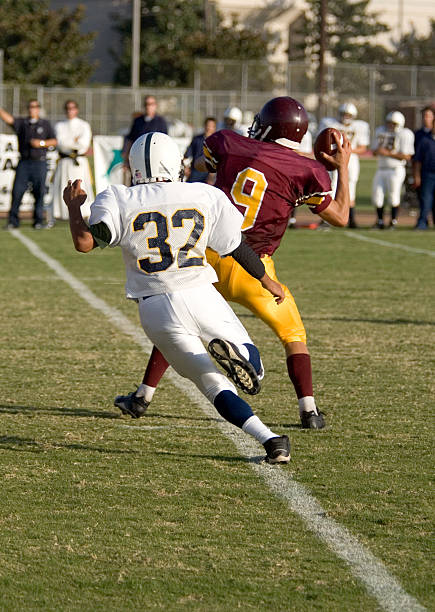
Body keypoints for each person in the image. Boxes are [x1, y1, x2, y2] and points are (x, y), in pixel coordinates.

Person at [114, 97, 351, 430]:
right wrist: (341, 165)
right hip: (256, 268)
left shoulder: (229, 143)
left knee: (176, 321)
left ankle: (142, 395)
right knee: (293, 334)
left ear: (267, 126)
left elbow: (198, 166)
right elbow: (340, 216)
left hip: (205, 254)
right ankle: (308, 410)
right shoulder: (307, 170)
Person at [63, 132, 290, 464]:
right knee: (255, 368)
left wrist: (73, 208)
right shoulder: (204, 194)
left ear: (134, 166)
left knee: (211, 384)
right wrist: (268, 280)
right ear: (174, 162)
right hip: (199, 292)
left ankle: (270, 441)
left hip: (154, 309)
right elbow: (235, 246)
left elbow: (85, 242)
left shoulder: (119, 197)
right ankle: (247, 363)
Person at [0, 99, 57, 229]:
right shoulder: (23, 123)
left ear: (39, 109)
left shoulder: (45, 124)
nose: (33, 109)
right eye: (31, 106)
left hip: (40, 163)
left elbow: (54, 141)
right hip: (24, 163)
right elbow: (9, 119)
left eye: (35, 106)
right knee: (17, 191)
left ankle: (38, 220)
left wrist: (41, 143)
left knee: (39, 192)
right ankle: (13, 221)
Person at [318, 102, 369, 228]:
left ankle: (351, 218)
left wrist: (346, 151)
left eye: (348, 114)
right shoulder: (330, 124)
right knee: (332, 185)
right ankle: (328, 218)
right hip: (334, 158)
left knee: (350, 186)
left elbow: (363, 148)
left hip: (351, 159)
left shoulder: (360, 126)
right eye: (344, 114)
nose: (346, 117)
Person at [47, 100, 94, 225]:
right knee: (62, 187)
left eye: (72, 108)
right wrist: (73, 141)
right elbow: (61, 144)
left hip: (79, 161)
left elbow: (84, 144)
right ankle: (59, 214)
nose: (70, 110)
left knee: (82, 187)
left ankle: (85, 213)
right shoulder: (59, 126)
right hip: (65, 161)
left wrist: (71, 142)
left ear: (76, 110)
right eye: (68, 108)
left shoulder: (84, 125)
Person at [371, 111, 415, 229]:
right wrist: (379, 151)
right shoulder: (381, 131)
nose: (390, 125)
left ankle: (393, 221)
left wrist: (388, 153)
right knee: (377, 196)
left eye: (394, 123)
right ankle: (380, 221)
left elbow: (407, 156)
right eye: (389, 123)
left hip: (396, 169)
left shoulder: (405, 133)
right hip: (381, 168)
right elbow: (374, 151)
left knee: (393, 196)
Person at [122, 95, 168, 165]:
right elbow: (131, 138)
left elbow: (164, 141)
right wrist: (126, 155)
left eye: (151, 104)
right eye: (146, 104)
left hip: (154, 159)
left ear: (155, 106)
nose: (148, 107)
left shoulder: (161, 122)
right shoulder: (138, 121)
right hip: (138, 157)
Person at [413, 105, 435, 227]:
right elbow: (417, 159)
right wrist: (416, 175)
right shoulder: (422, 137)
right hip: (427, 173)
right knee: (425, 199)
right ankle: (422, 222)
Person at [183, 117, 216, 184]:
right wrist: (186, 168)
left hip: (209, 176)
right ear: (204, 126)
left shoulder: (217, 141)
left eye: (211, 126)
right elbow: (186, 155)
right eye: (207, 125)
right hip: (195, 174)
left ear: (214, 128)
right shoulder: (197, 139)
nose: (209, 128)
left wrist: (212, 175)